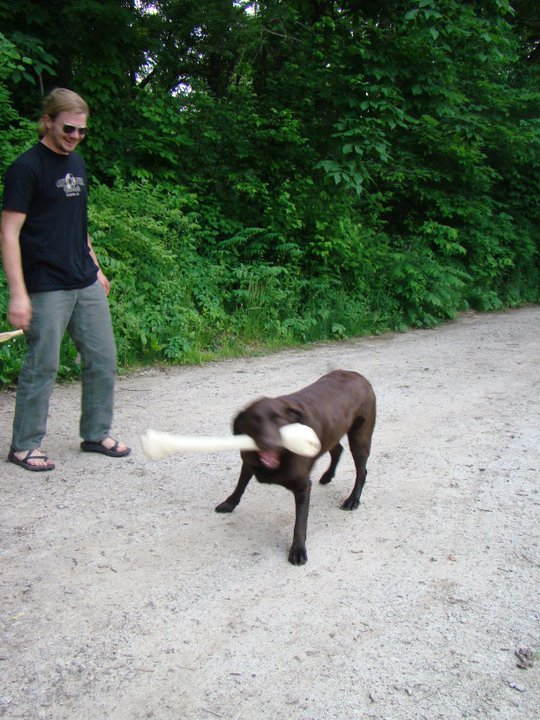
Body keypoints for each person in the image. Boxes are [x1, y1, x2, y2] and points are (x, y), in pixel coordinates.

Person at [0, 88, 130, 471]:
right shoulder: (26, 169)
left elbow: (78, 222)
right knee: (42, 365)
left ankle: (95, 434)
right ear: (48, 121)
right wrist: (18, 293)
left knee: (103, 358)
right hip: (45, 282)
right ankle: (24, 445)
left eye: (82, 131)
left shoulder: (77, 164)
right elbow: (8, 232)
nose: (75, 136)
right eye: (68, 128)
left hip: (83, 277)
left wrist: (96, 265)